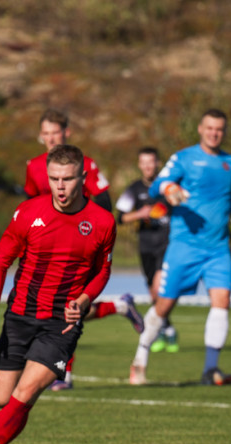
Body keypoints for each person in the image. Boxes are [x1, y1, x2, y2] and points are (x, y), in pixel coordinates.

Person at [0, 145, 117, 444]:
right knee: (1, 398)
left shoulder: (103, 222)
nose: (60, 187)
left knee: (25, 393)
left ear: (83, 178)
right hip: (19, 315)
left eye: (68, 179)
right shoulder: (28, 213)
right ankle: (7, 424)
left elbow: (102, 272)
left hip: (61, 325)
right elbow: (0, 262)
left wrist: (86, 298)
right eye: (54, 179)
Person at [24, 108, 142, 390]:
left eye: (57, 133)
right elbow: (30, 206)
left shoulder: (85, 164)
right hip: (46, 248)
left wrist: (89, 233)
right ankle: (120, 306)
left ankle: (63, 373)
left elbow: (104, 202)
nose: (52, 138)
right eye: (47, 134)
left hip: (79, 246)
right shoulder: (33, 166)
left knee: (68, 307)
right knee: (57, 309)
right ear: (41, 136)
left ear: (67, 133)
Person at [129, 108, 231, 387]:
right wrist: (170, 189)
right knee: (164, 305)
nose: (214, 133)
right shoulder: (184, 157)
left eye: (219, 129)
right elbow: (158, 185)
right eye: (210, 128)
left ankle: (210, 369)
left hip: (218, 249)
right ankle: (140, 358)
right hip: (184, 248)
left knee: (222, 303)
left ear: (224, 131)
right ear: (200, 129)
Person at [115, 147, 177, 353]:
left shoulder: (167, 187)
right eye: (144, 162)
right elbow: (120, 217)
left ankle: (159, 332)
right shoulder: (134, 189)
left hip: (167, 244)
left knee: (160, 288)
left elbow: (181, 207)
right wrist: (139, 214)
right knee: (153, 293)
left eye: (152, 162)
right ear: (140, 165)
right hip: (146, 245)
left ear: (158, 163)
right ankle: (168, 328)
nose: (148, 166)